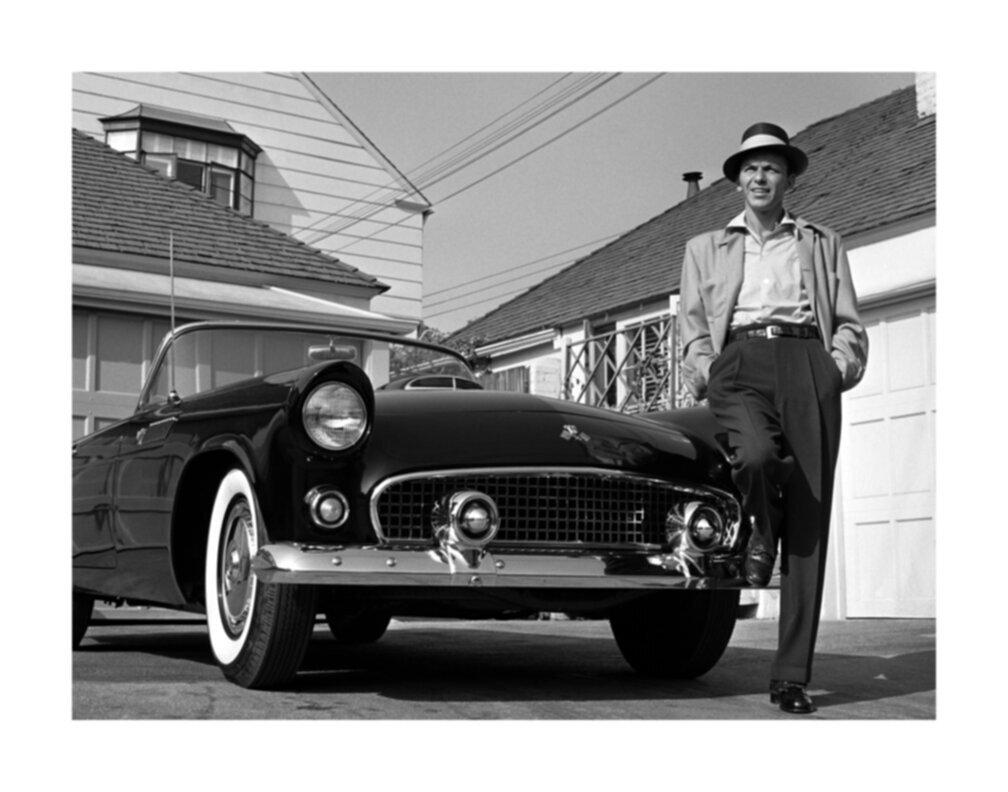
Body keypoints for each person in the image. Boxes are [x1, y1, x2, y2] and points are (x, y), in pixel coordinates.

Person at [678, 122, 867, 714]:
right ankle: (761, 529)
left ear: (787, 179)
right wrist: (707, 369)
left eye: (772, 168)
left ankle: (790, 675)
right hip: (738, 360)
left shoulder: (820, 241)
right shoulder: (704, 247)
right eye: (750, 168)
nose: (760, 177)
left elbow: (849, 322)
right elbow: (690, 326)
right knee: (755, 455)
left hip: (807, 361)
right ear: (737, 181)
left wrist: (835, 368)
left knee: (808, 522)